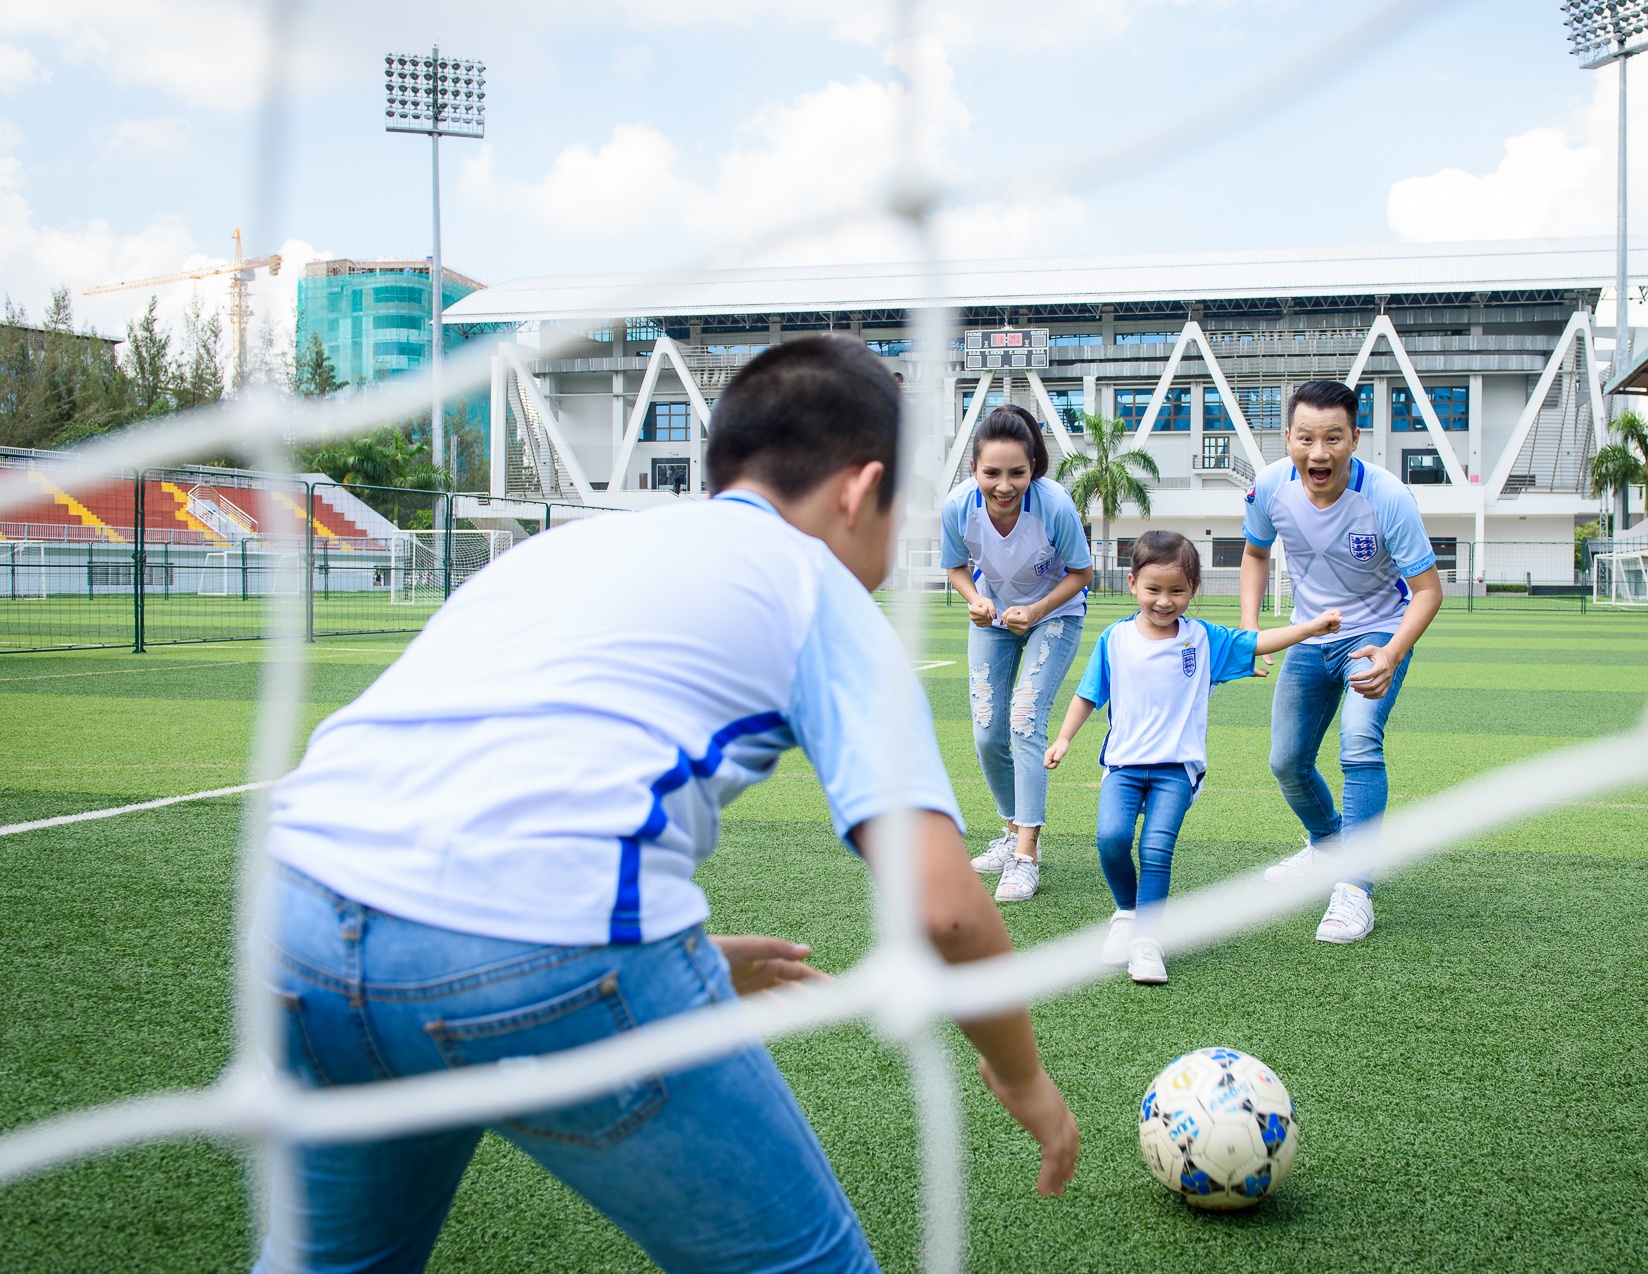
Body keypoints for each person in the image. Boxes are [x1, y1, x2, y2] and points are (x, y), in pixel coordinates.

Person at [257, 336, 1079, 1274]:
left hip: (301, 921)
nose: (892, 561)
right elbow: (942, 908)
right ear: (860, 492)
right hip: (551, 946)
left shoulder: (574, 547)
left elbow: (489, 785)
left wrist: (677, 960)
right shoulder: (813, 580)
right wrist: (1020, 1075)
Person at [1043, 531, 1340, 984]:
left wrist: (1309, 629)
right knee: (1111, 839)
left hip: (1176, 769)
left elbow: (1256, 643)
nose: (1164, 602)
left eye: (1177, 591)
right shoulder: (1115, 639)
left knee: (1156, 848)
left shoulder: (1203, 639)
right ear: (1132, 584)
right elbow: (1088, 694)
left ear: (1193, 591)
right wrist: (1064, 739)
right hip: (1122, 765)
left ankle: (1148, 941)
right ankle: (1126, 914)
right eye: (1153, 590)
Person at [1238, 379, 1444, 945]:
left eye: (1333, 438)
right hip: (1310, 636)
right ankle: (1328, 847)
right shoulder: (1269, 488)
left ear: (1356, 438)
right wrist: (1253, 630)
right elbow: (1255, 555)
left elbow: (1427, 590)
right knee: (1286, 761)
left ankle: (1354, 890)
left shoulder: (1389, 498)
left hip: (1375, 633)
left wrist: (1393, 651)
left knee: (1358, 741)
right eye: (1305, 438)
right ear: (1288, 438)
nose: (1318, 452)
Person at [941, 405, 1093, 905]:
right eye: (992, 473)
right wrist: (975, 601)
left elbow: (1081, 572)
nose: (1004, 486)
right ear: (974, 470)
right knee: (987, 732)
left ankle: (1026, 853)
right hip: (995, 614)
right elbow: (956, 567)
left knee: (1025, 719)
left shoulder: (1054, 506)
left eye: (1017, 473)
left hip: (1056, 613)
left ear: (1034, 468)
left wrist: (1038, 607)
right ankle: (1011, 830)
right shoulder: (958, 507)